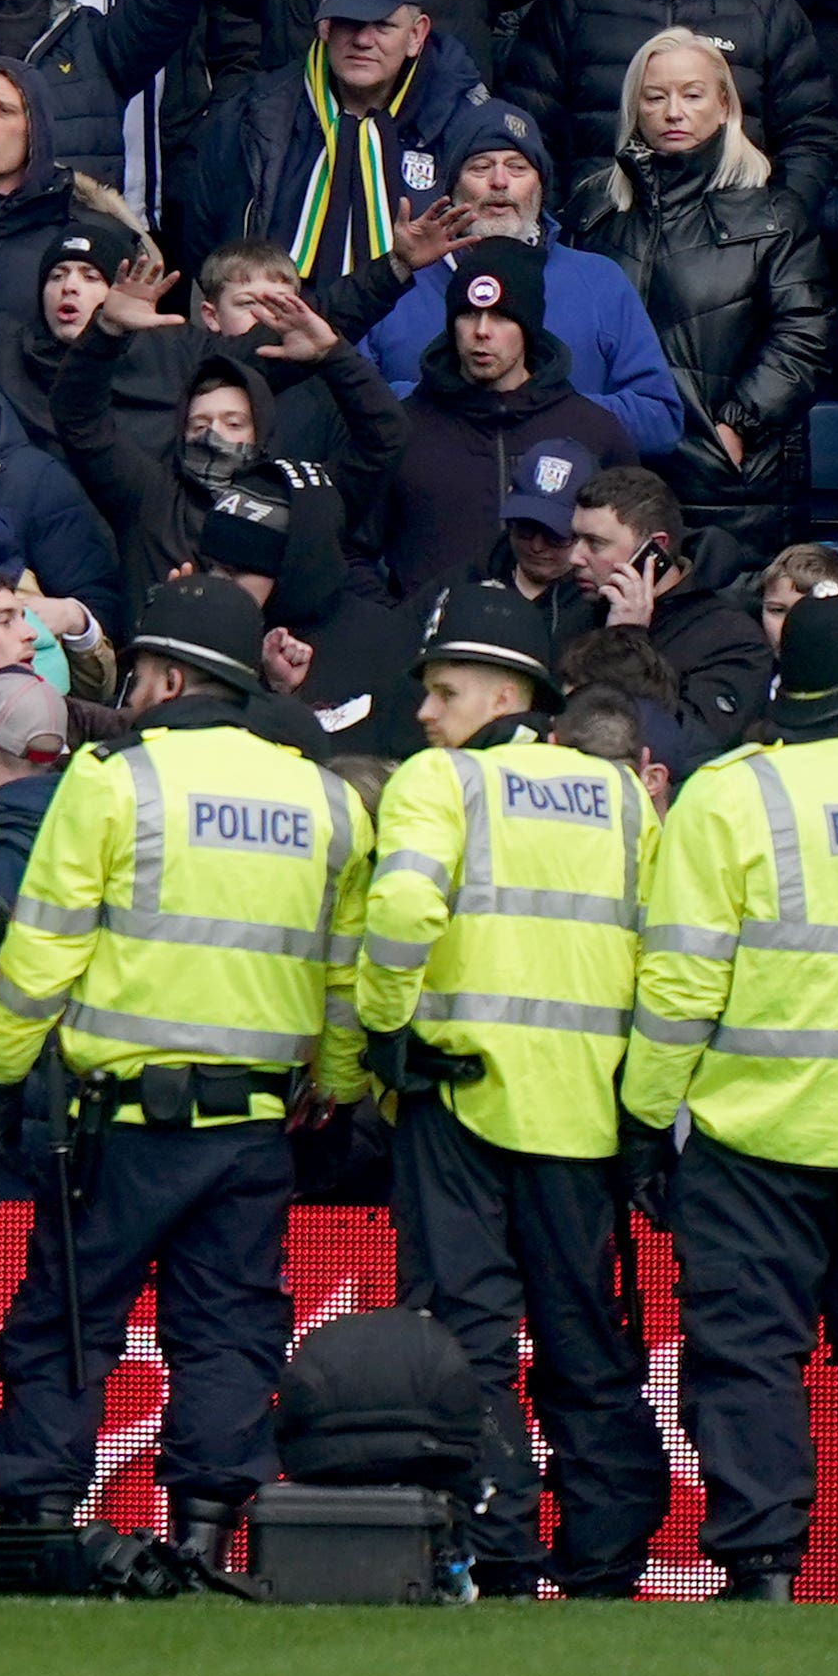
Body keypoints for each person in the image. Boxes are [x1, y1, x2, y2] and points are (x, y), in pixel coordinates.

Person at [0, 585, 363, 1565]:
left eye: (142, 676)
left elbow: (42, 960)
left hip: (119, 1128)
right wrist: (339, 1082)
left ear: (174, 677)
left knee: (68, 1319)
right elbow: (345, 977)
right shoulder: (327, 800)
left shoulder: (113, 782)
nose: (134, 693)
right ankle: (204, 1532)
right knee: (227, 1332)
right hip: (256, 1125)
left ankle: (39, 1517)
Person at [619, 581, 838, 1600]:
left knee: (749, 1358)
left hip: (756, 1135)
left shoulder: (731, 797)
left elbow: (680, 982)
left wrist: (647, 1120)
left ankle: (765, 1565)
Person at [354, 578, 663, 1598]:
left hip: (460, 1099)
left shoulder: (441, 781)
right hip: (582, 1113)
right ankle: (611, 1554)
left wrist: (386, 1025)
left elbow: (400, 904)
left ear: (498, 694)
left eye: (442, 692)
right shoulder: (622, 795)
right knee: (590, 1346)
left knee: (467, 1340)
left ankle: (497, 1547)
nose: (425, 715)